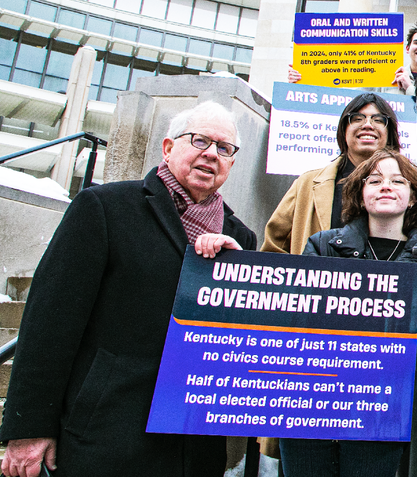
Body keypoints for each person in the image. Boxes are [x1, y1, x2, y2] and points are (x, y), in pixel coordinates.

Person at [0, 102, 257, 477]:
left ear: (232, 164)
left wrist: (236, 277)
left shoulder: (240, 237)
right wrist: (29, 428)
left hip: (192, 445)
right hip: (105, 432)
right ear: (168, 148)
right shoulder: (105, 207)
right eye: (200, 140)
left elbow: (239, 343)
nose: (211, 154)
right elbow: (49, 323)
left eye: (224, 148)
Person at [278, 149, 417, 477]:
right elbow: (296, 317)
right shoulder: (321, 246)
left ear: (413, 196)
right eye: (374, 180)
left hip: (387, 411)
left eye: (397, 181)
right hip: (315, 406)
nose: (385, 186)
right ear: (361, 195)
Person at [263, 93, 402, 255]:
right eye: (357, 118)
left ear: (390, 133)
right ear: (343, 130)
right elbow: (273, 249)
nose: (368, 125)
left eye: (378, 120)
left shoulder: (409, 187)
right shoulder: (307, 183)